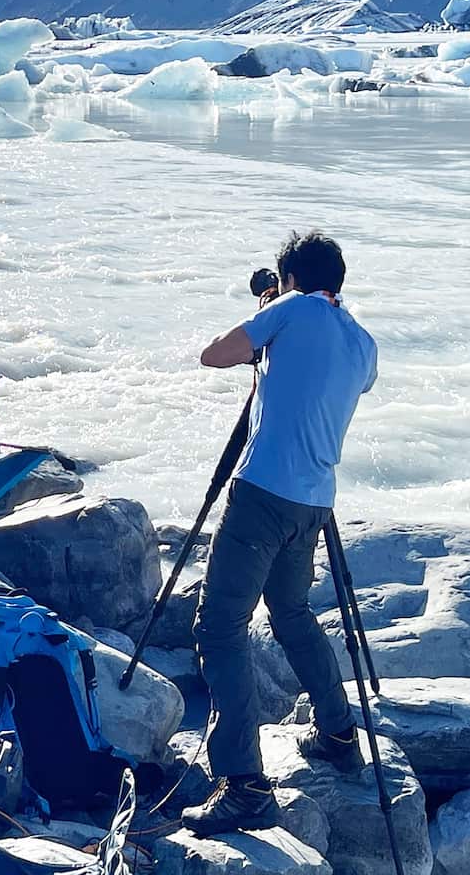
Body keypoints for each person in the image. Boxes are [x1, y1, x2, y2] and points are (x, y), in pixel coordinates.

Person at [181, 230, 379, 836]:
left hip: (262, 493)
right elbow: (313, 385)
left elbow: (214, 354)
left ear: (291, 279)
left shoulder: (290, 310)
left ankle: (243, 784)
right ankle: (338, 733)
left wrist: (270, 314)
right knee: (291, 612)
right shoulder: (363, 343)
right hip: (314, 503)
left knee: (219, 627)